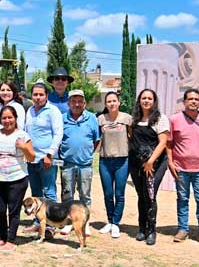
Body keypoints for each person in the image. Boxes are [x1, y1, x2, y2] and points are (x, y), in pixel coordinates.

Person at [167, 89, 199, 246]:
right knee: (182, 199)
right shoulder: (174, 119)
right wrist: (170, 162)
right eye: (190, 99)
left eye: (196, 99)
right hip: (181, 169)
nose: (193, 101)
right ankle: (183, 229)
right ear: (184, 101)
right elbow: (169, 143)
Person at [0, 105, 34, 251]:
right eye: (4, 118)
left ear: (15, 118)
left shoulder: (23, 136)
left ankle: (11, 240)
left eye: (10, 117)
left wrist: (23, 147)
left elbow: (31, 157)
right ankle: (3, 237)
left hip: (17, 178)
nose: (7, 121)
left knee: (13, 210)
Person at [128, 89, 169, 246]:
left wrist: (150, 161)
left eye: (149, 98)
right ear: (139, 100)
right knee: (141, 195)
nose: (146, 101)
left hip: (154, 164)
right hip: (136, 164)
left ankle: (151, 231)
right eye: (143, 98)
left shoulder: (160, 119)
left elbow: (163, 142)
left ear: (154, 101)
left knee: (150, 195)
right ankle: (141, 228)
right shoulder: (134, 119)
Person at [59, 89, 100, 235]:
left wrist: (86, 153)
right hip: (67, 164)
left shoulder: (92, 118)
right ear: (68, 103)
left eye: (80, 101)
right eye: (73, 101)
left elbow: (96, 140)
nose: (77, 104)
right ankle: (68, 222)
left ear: (84, 103)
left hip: (85, 165)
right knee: (67, 195)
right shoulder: (62, 118)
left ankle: (84, 222)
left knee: (85, 195)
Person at [23, 83, 63, 235]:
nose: (38, 97)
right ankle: (38, 222)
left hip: (46, 159)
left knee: (49, 192)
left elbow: (58, 134)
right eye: (35, 94)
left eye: (41, 94)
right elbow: (27, 132)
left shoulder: (53, 111)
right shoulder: (30, 111)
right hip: (32, 159)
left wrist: (50, 154)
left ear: (46, 95)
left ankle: (51, 225)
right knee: (36, 193)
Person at [97, 92, 131, 239]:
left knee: (119, 194)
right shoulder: (100, 119)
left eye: (114, 101)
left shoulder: (127, 118)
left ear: (119, 102)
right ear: (106, 104)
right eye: (109, 101)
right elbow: (97, 138)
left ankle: (116, 223)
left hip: (122, 160)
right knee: (108, 193)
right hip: (105, 160)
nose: (111, 104)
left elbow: (132, 136)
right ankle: (110, 221)